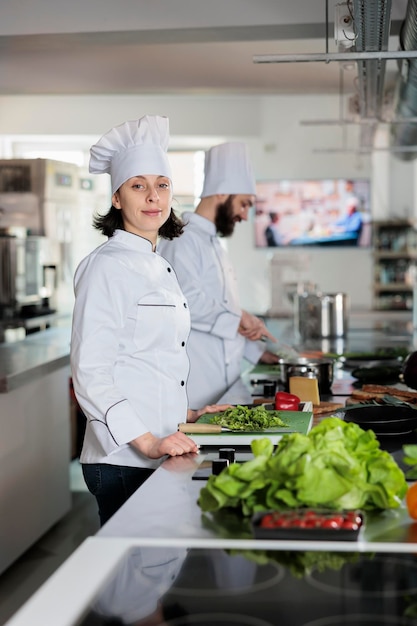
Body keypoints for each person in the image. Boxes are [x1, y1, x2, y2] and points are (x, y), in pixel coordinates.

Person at [70, 115, 228, 526]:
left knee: (153, 577)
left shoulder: (156, 263)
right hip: (125, 457)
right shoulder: (106, 267)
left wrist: (188, 413)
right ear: (117, 199)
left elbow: (149, 360)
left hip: (160, 446)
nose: (153, 196)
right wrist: (148, 441)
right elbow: (91, 372)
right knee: (135, 582)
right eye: (138, 185)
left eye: (162, 184)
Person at [158, 141, 281, 408]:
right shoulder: (183, 239)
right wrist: (241, 317)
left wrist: (256, 352)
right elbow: (186, 300)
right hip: (199, 385)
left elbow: (221, 310)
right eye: (243, 204)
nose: (245, 215)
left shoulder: (212, 242)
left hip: (222, 383)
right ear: (222, 193)